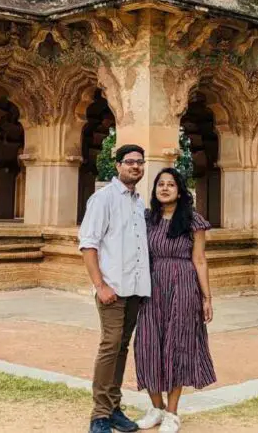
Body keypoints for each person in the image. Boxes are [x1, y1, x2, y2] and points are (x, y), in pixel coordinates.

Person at [134, 168, 216, 433]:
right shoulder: (147, 219)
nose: (165, 188)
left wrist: (206, 297)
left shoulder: (193, 221)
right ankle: (155, 407)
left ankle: (172, 412)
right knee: (147, 344)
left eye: (171, 184)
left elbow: (200, 260)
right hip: (152, 286)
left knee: (177, 345)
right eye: (161, 184)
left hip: (183, 286)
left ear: (180, 191)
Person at [78, 144, 151, 433]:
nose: (136, 167)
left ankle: (113, 407)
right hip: (112, 289)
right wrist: (100, 285)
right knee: (110, 346)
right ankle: (99, 415)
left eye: (140, 163)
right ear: (118, 165)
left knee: (121, 347)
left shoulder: (137, 202)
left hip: (134, 289)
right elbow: (88, 244)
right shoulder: (103, 199)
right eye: (130, 162)